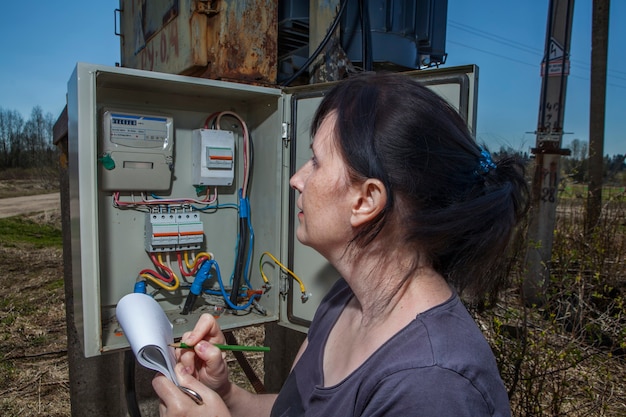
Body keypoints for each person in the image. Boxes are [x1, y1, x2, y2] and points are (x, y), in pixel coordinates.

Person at [152, 72, 529, 417]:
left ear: (366, 201)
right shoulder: (344, 299)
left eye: (315, 162)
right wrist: (228, 396)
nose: (296, 179)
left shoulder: (433, 384)